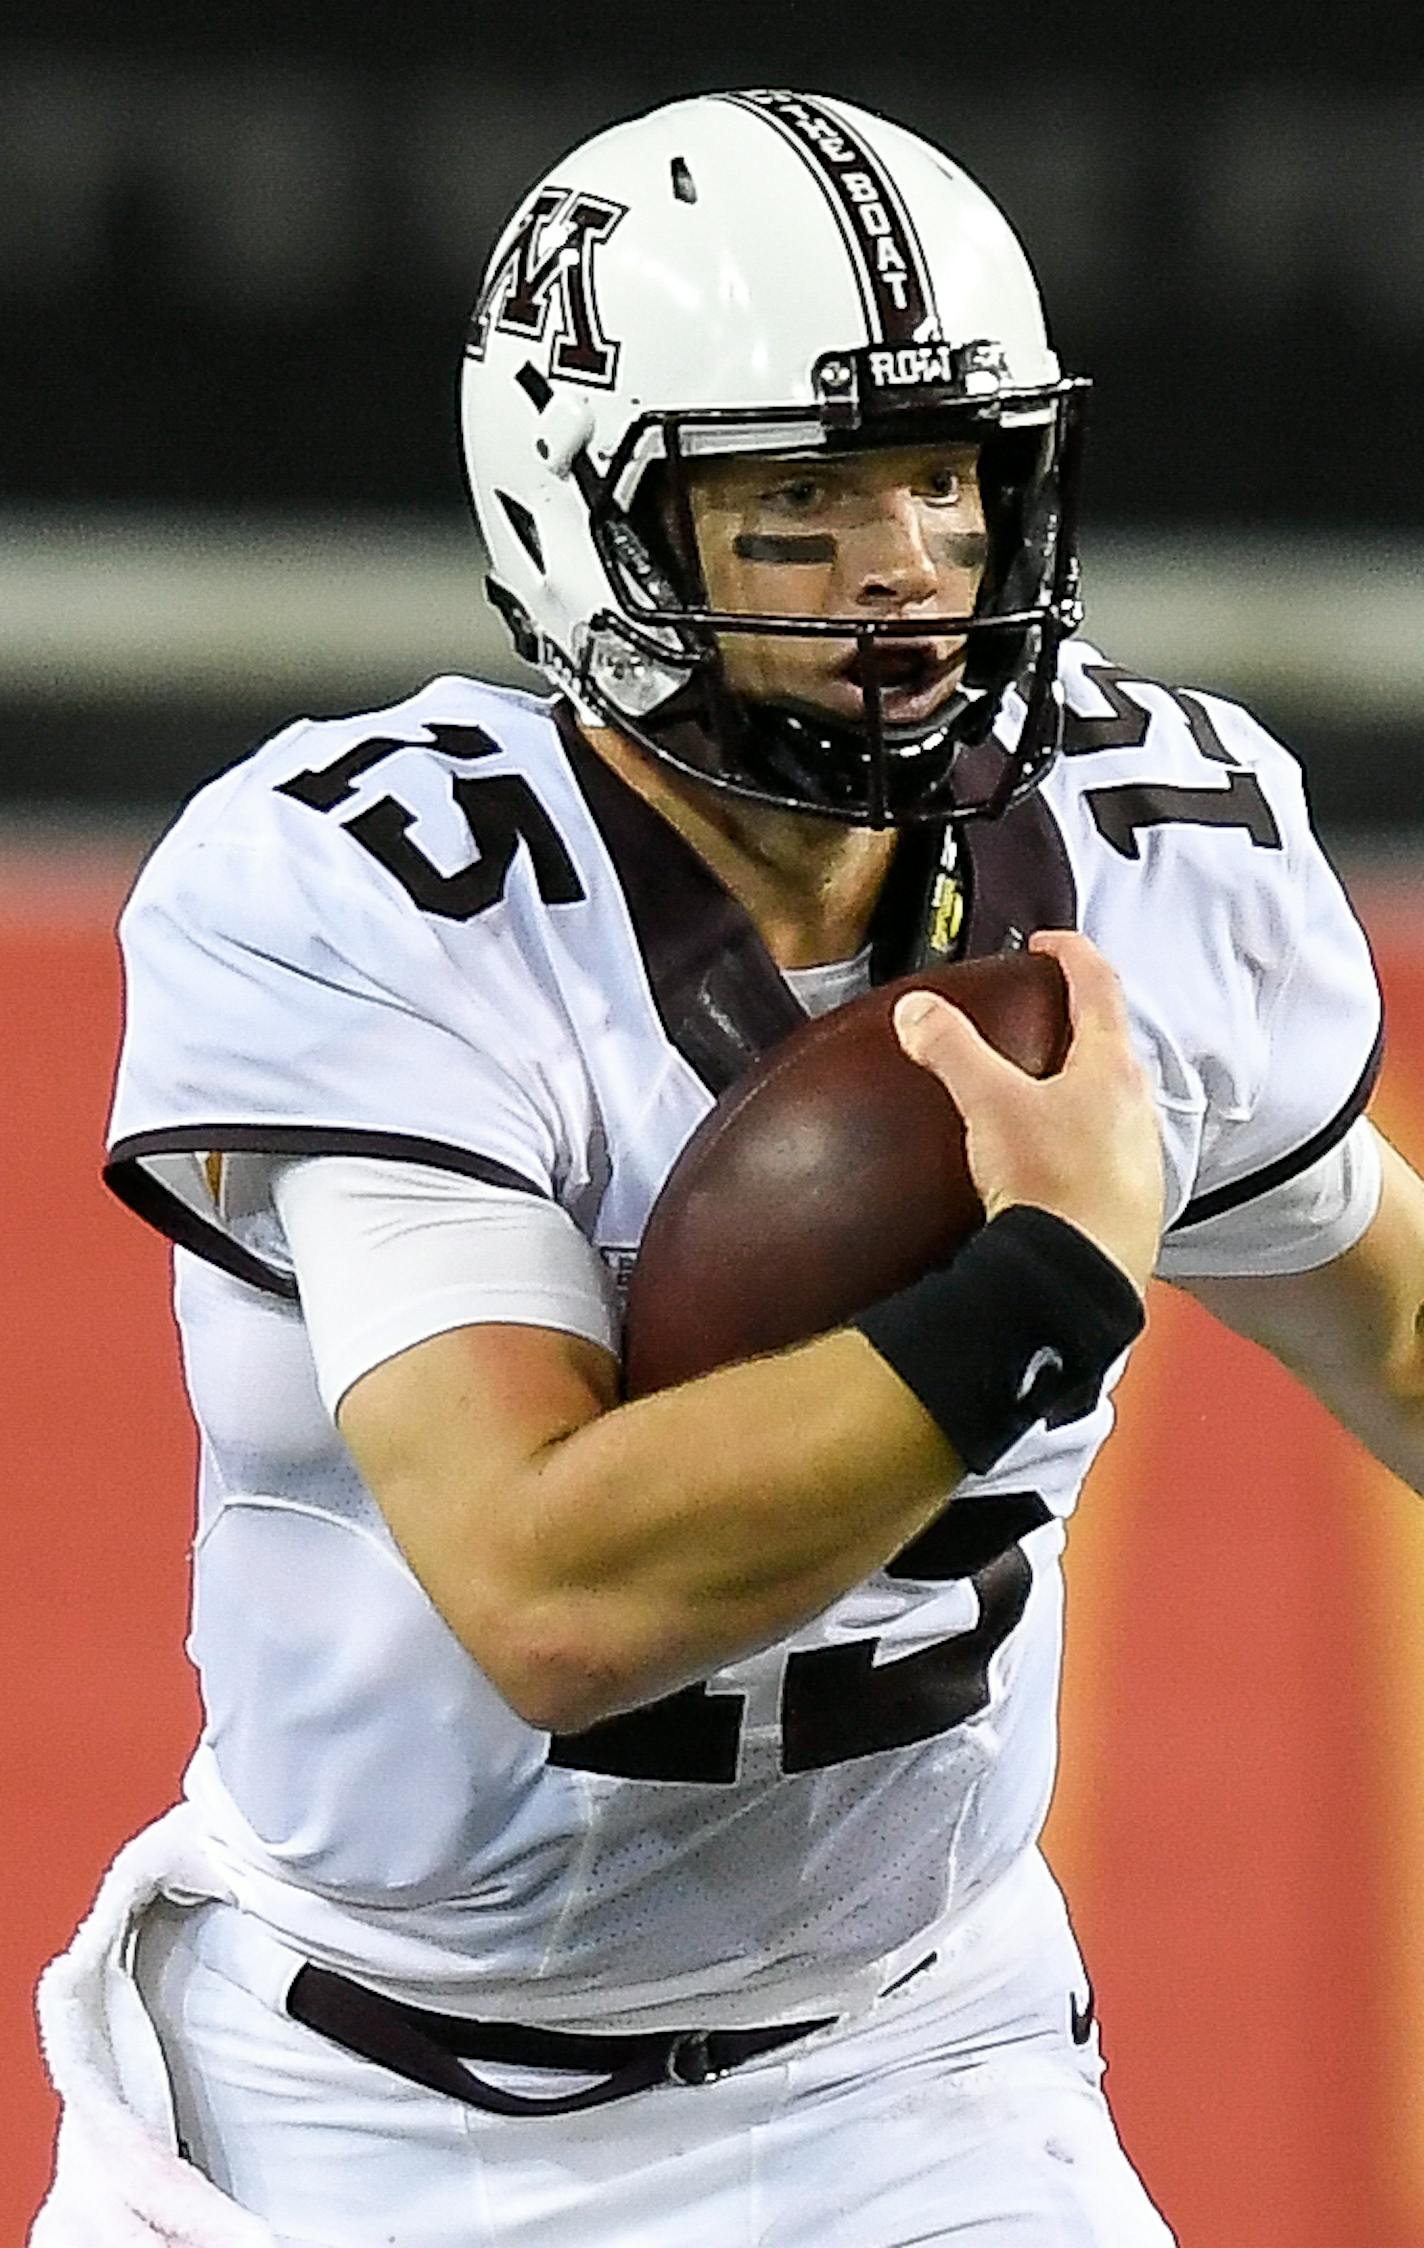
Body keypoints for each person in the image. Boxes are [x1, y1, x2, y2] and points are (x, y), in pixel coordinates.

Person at [31, 87, 1424, 2248]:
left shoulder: (1153, 862)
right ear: (597, 524)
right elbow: (550, 1586)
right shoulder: (380, 896)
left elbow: (1399, 1326)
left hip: (915, 2071)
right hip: (353, 2109)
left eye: (944, 482)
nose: (903, 567)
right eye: (800, 498)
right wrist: (1041, 1278)